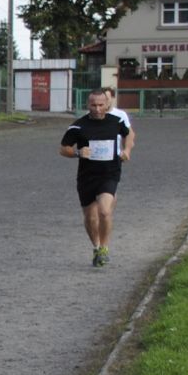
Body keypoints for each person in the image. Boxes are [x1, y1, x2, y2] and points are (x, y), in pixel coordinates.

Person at [60, 87, 132, 268]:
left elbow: (129, 134)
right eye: (94, 105)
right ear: (88, 105)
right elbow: (63, 149)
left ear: (107, 104)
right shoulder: (78, 126)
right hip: (87, 176)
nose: (97, 109)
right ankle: (97, 247)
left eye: (101, 105)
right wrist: (78, 153)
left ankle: (105, 249)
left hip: (110, 173)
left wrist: (127, 150)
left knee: (105, 211)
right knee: (91, 218)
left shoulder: (116, 121)